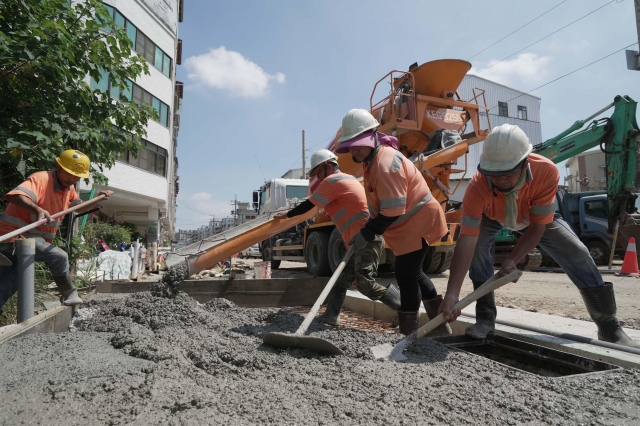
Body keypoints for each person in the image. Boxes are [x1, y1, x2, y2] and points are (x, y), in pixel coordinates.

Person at [438, 124, 640, 349]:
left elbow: (536, 228)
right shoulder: (477, 187)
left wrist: (513, 259)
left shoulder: (546, 171)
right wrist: (452, 293)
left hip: (533, 217)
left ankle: (609, 326)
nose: (500, 179)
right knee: (476, 249)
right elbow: (467, 239)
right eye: (494, 174)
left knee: (579, 252)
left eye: (507, 172)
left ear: (525, 163)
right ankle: (485, 318)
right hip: (492, 217)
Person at [336, 109, 449, 336]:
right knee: (415, 273)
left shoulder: (385, 163)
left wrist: (367, 233)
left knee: (406, 275)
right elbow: (382, 205)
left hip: (416, 221)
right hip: (407, 224)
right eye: (350, 145)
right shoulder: (372, 160)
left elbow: (394, 209)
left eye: (358, 143)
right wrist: (368, 229)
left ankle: (410, 333)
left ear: (373, 137)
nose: (354, 149)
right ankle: (439, 327)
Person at [274, 149, 401, 325]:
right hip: (358, 241)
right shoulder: (347, 179)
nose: (317, 177)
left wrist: (287, 215)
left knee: (366, 284)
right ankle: (331, 315)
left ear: (328, 166)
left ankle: (405, 308)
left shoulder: (332, 181)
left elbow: (309, 205)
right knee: (341, 280)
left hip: (366, 239)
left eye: (318, 172)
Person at [0, 150, 113, 312]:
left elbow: (78, 207)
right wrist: (37, 209)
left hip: (32, 240)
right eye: (69, 174)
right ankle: (69, 293)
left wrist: (98, 199)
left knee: (14, 280)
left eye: (76, 177)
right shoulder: (41, 179)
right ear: (58, 166)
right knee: (59, 257)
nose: (72, 179)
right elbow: (17, 195)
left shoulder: (68, 189)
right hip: (16, 235)